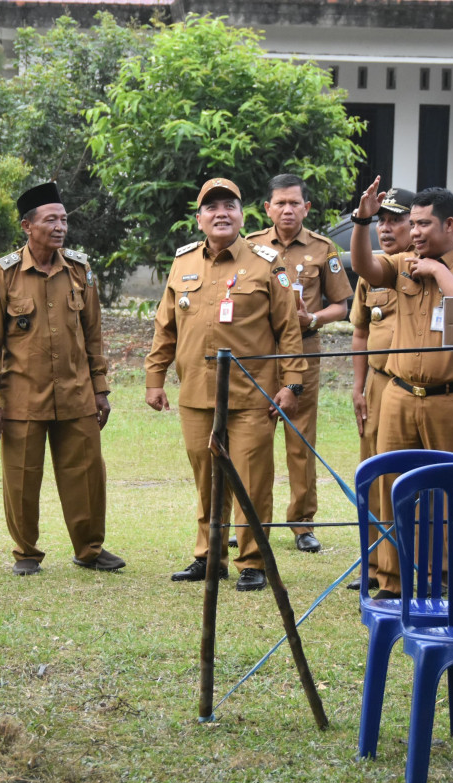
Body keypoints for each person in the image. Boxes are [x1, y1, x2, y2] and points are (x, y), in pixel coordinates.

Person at [146, 178, 305, 592]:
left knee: (252, 480)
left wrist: (292, 383)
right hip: (197, 395)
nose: (221, 213)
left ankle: (253, 561)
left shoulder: (266, 262)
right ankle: (209, 557)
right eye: (211, 207)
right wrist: (154, 378)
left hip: (253, 396)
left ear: (242, 215)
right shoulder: (182, 264)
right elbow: (165, 328)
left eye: (229, 206)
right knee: (206, 479)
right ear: (199, 219)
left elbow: (289, 329)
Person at [349, 180, 453, 600]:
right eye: (411, 224)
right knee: (394, 488)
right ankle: (395, 582)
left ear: (450, 224)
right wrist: (362, 220)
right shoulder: (402, 263)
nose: (414, 232)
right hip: (399, 394)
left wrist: (438, 271)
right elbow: (364, 266)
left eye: (423, 224)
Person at [0, 182, 124, 576]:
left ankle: (90, 550)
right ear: (27, 226)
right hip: (22, 396)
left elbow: (93, 334)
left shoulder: (79, 269)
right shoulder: (4, 273)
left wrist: (101, 389)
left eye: (63, 219)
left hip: (77, 393)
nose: (60, 227)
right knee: (22, 479)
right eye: (50, 220)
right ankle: (26, 552)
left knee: (87, 475)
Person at [247, 173, 352, 553]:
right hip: (259, 355)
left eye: (295, 203)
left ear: (307, 208)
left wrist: (315, 319)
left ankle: (303, 523)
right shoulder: (251, 246)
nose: (287, 209)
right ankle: (248, 520)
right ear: (268, 208)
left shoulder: (325, 249)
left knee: (300, 440)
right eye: (280, 203)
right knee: (252, 439)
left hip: (304, 351)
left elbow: (342, 306)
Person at [347, 186, 413, 590]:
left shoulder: (419, 268)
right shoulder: (371, 272)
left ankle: (405, 566)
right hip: (377, 383)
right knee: (372, 477)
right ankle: (372, 566)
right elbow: (359, 331)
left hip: (412, 386)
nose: (386, 229)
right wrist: (358, 387)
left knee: (406, 478)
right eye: (382, 221)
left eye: (396, 221)